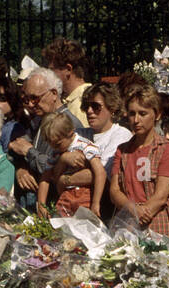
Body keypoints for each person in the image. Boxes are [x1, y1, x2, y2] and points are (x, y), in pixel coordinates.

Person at [108, 87, 169, 236]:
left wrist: (141, 215)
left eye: (143, 114)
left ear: (157, 114)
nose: (136, 120)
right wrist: (132, 210)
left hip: (155, 220)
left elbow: (160, 197)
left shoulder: (167, 149)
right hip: (128, 219)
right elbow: (115, 191)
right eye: (132, 113)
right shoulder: (122, 150)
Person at [10, 67, 74, 206]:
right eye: (26, 99)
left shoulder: (69, 123)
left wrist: (29, 152)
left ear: (54, 94)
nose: (31, 105)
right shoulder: (39, 119)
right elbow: (19, 148)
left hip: (53, 206)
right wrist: (21, 168)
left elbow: (58, 169)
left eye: (35, 98)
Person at [36, 111, 105, 217]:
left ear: (70, 133)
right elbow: (45, 178)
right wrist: (41, 205)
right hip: (65, 197)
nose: (54, 147)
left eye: (58, 144)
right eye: (51, 144)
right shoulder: (56, 153)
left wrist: (96, 203)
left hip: (85, 196)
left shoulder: (85, 146)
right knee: (62, 229)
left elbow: (100, 172)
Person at [44, 37, 92, 126]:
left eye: (52, 70)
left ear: (68, 69)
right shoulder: (73, 99)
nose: (48, 76)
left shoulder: (80, 105)